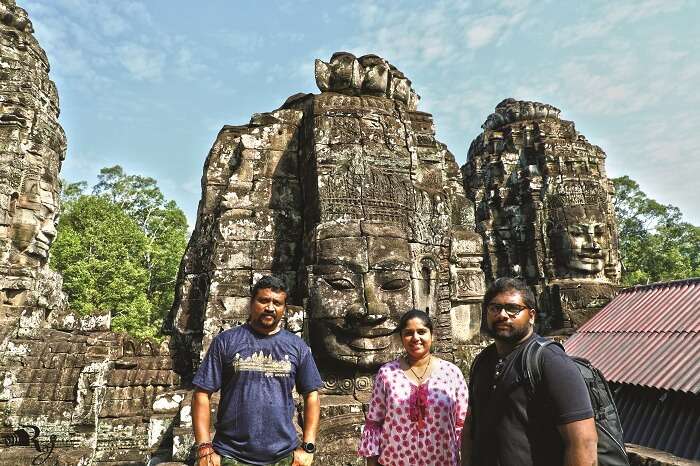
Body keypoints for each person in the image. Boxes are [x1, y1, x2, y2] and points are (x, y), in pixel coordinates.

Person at [462, 277, 598, 466]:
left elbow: (583, 442)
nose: (502, 315)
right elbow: (471, 428)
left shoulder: (550, 361)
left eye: (513, 309)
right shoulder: (482, 361)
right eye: (495, 308)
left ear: (531, 315)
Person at [192, 275, 323, 466]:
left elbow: (312, 395)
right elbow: (201, 394)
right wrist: (204, 448)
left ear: (284, 308)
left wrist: (308, 447)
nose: (270, 307)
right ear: (251, 303)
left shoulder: (297, 347)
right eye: (263, 300)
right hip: (231, 455)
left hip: (284, 456)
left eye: (277, 303)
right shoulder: (226, 341)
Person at [359, 309, 469, 466]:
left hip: (441, 460)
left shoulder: (451, 373)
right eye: (408, 333)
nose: (415, 338)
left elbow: (463, 424)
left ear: (432, 335)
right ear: (401, 338)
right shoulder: (387, 373)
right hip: (395, 461)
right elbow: (374, 423)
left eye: (422, 331)